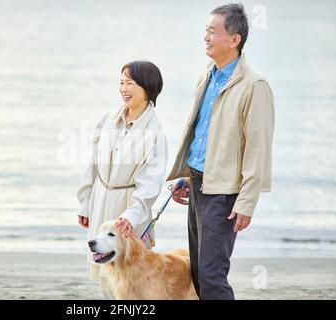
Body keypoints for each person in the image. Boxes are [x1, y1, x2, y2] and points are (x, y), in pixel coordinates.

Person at [168, 4, 275, 300]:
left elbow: (258, 148)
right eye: (206, 30)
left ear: (234, 39)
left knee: (212, 275)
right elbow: (201, 135)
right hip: (199, 183)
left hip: (224, 193)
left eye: (212, 31)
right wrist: (187, 178)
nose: (205, 37)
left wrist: (247, 202)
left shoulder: (255, 85)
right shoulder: (207, 76)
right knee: (199, 274)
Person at [77, 61, 168, 293]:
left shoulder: (154, 133)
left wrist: (131, 216)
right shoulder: (108, 120)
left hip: (128, 210)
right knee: (102, 270)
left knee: (132, 278)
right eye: (121, 82)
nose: (123, 89)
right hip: (101, 199)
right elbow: (93, 164)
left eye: (130, 83)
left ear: (148, 88)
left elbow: (150, 184)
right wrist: (86, 203)